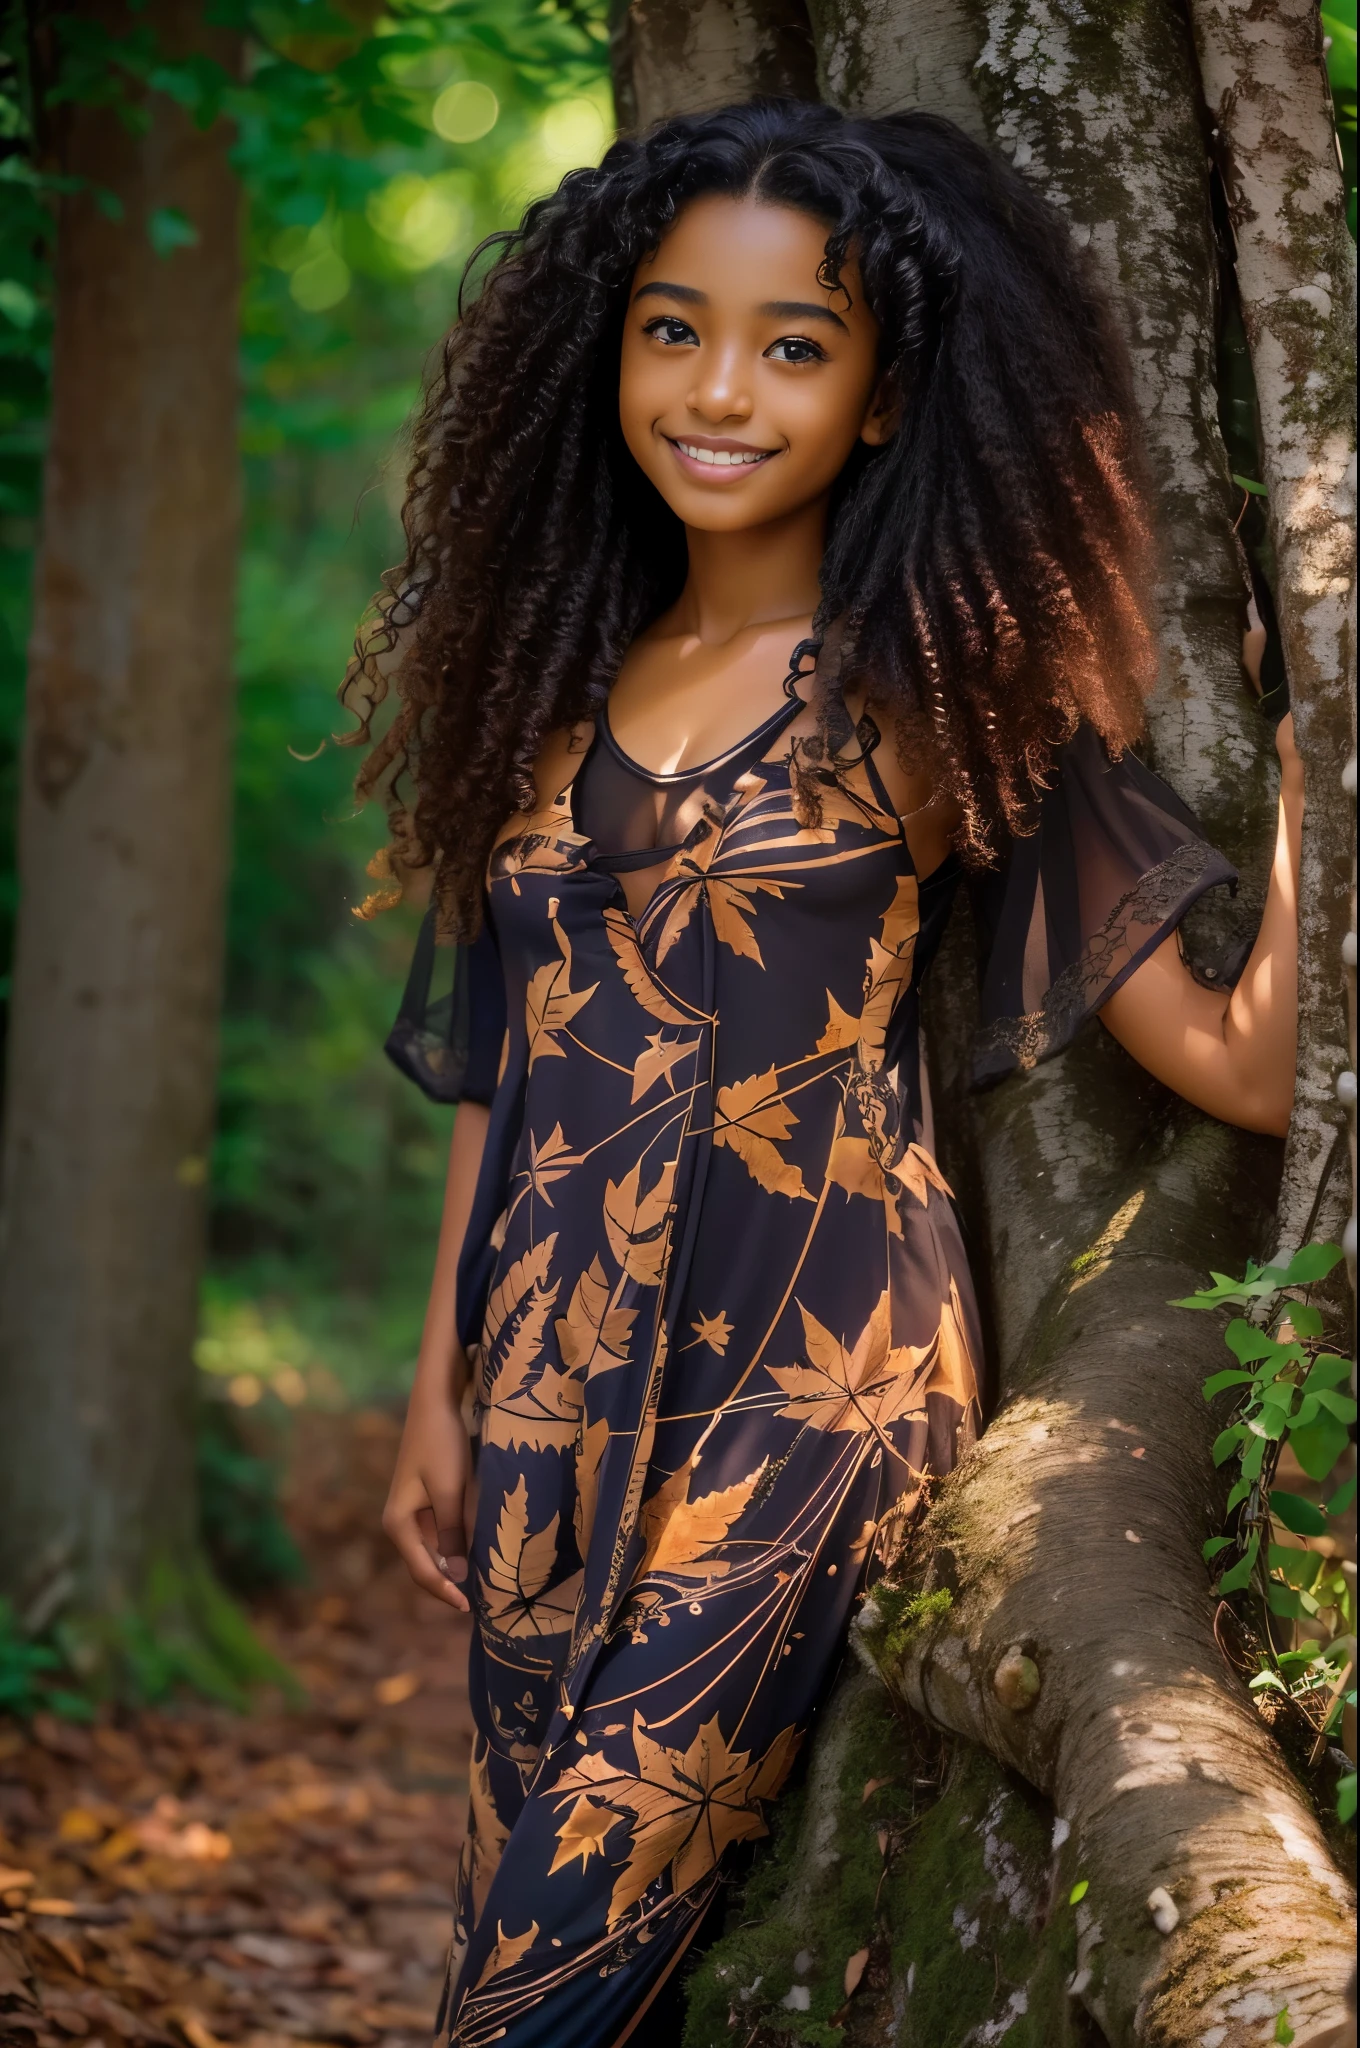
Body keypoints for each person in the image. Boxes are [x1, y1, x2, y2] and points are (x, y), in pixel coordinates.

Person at [342, 99, 1302, 2048]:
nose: (717, 389)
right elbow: (508, 1065)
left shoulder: (929, 687)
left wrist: (1308, 779)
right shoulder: (545, 680)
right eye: (671, 328)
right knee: (519, 1898)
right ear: (607, 351)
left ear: (876, 401)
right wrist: (440, 1384)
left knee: (540, 1976)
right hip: (544, 1383)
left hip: (806, 1392)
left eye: (793, 346)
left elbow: (1244, 1064)